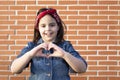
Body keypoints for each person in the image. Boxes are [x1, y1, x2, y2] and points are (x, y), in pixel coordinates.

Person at [10, 8, 87, 80]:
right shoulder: (32, 46)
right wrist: (30, 54)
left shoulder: (65, 46)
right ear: (38, 28)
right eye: (43, 26)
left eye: (52, 25)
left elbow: (82, 68)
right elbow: (14, 69)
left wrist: (64, 55)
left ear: (58, 27)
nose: (47, 29)